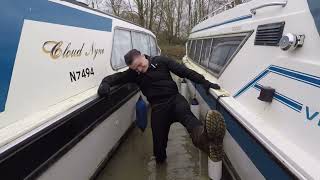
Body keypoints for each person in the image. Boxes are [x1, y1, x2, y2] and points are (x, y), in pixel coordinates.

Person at [98, 49, 226, 164]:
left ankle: (208, 142)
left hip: (175, 100)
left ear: (143, 56)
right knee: (158, 149)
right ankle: (161, 165)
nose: (139, 70)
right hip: (158, 108)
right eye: (135, 69)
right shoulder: (133, 74)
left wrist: (206, 83)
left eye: (139, 65)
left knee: (191, 122)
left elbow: (185, 72)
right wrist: (105, 84)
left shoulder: (161, 61)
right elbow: (115, 78)